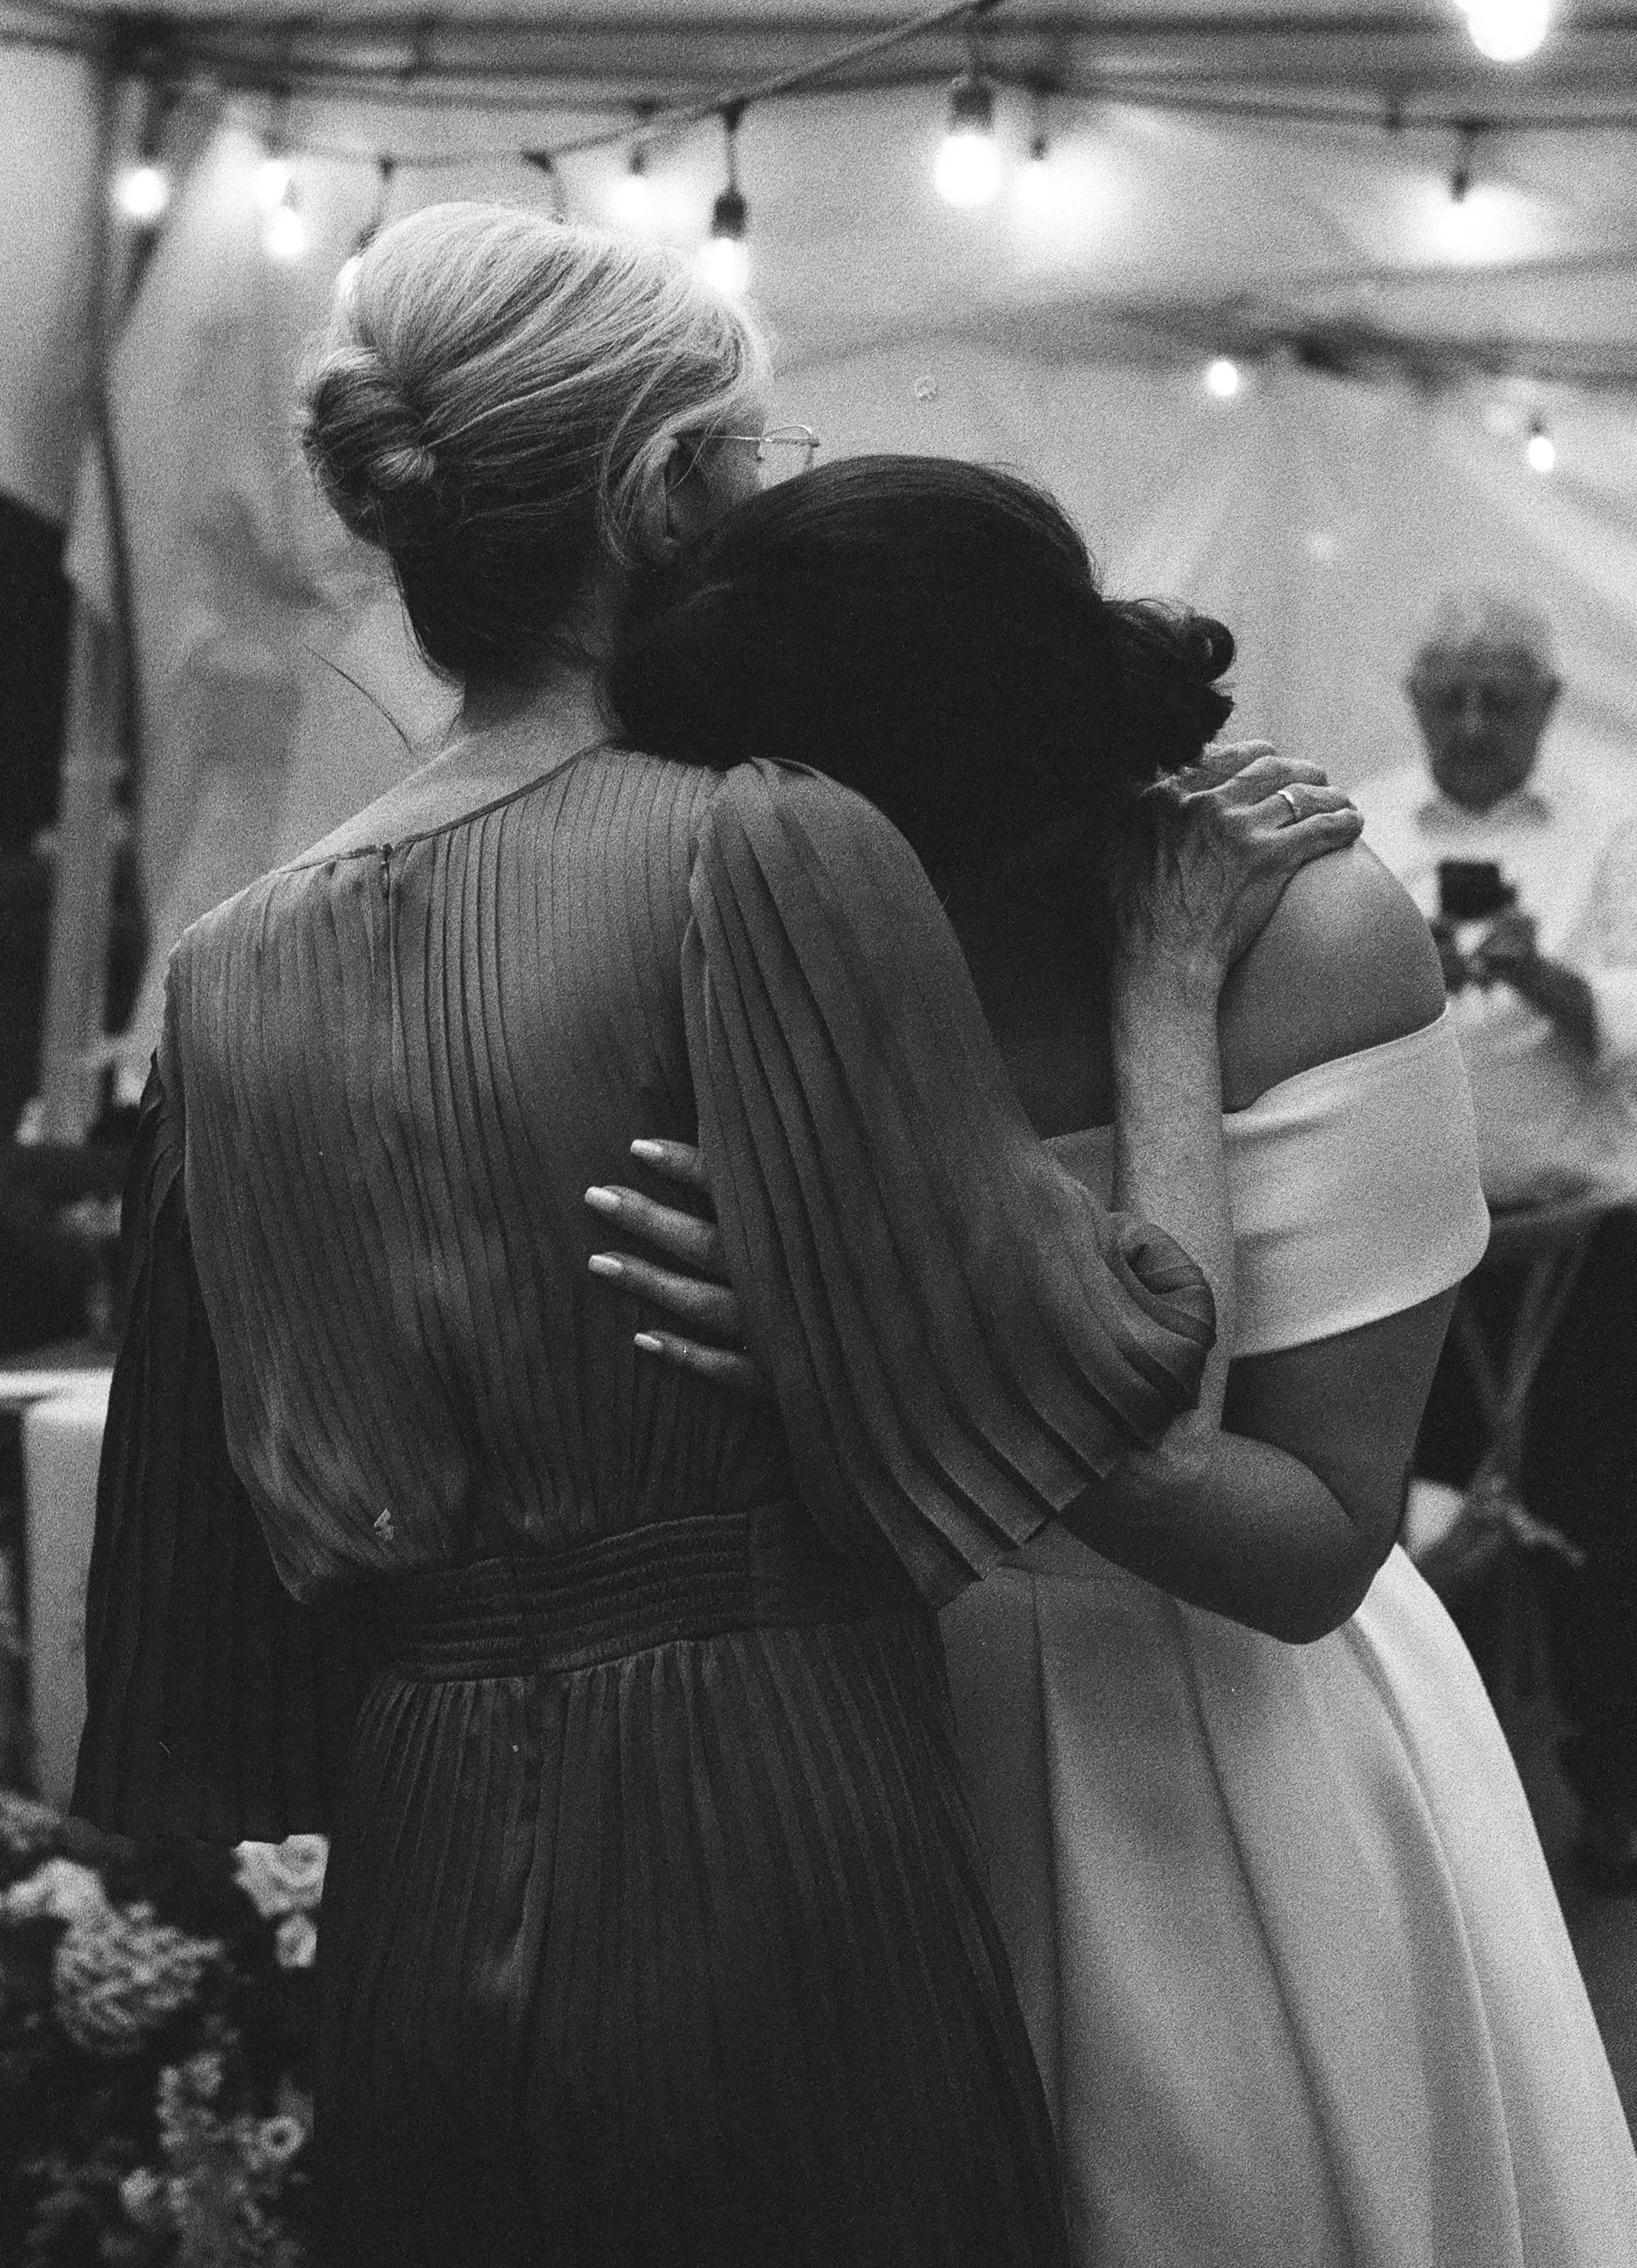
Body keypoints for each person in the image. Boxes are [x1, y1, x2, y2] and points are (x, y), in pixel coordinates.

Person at [69, 205, 1359, 2268]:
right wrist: (1162, 976)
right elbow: (1129, 1374)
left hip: (410, 1859)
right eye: (754, 457)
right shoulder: (762, 841)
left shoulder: (220, 974)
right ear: (667, 489)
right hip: (770, 1815)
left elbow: (197, 1618)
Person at [594, 458, 1637, 2266]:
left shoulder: (1307, 933)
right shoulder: (746, 920)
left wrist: (859, 1360)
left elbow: (1302, 1544)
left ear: (914, 810)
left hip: (1214, 1750)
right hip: (844, 1734)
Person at [1357, 590, 1637, 1892]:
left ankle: (1616, 1796)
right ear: (1415, 703)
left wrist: (1547, 980)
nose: (1472, 723)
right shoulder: (1357, 824)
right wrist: (1384, 970)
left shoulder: (1616, 821)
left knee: (1605, 1519)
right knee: (1400, 1530)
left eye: (1501, 699)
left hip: (1586, 1243)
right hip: (1405, 1245)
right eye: (1450, 697)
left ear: (1548, 705)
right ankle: (1426, 1819)